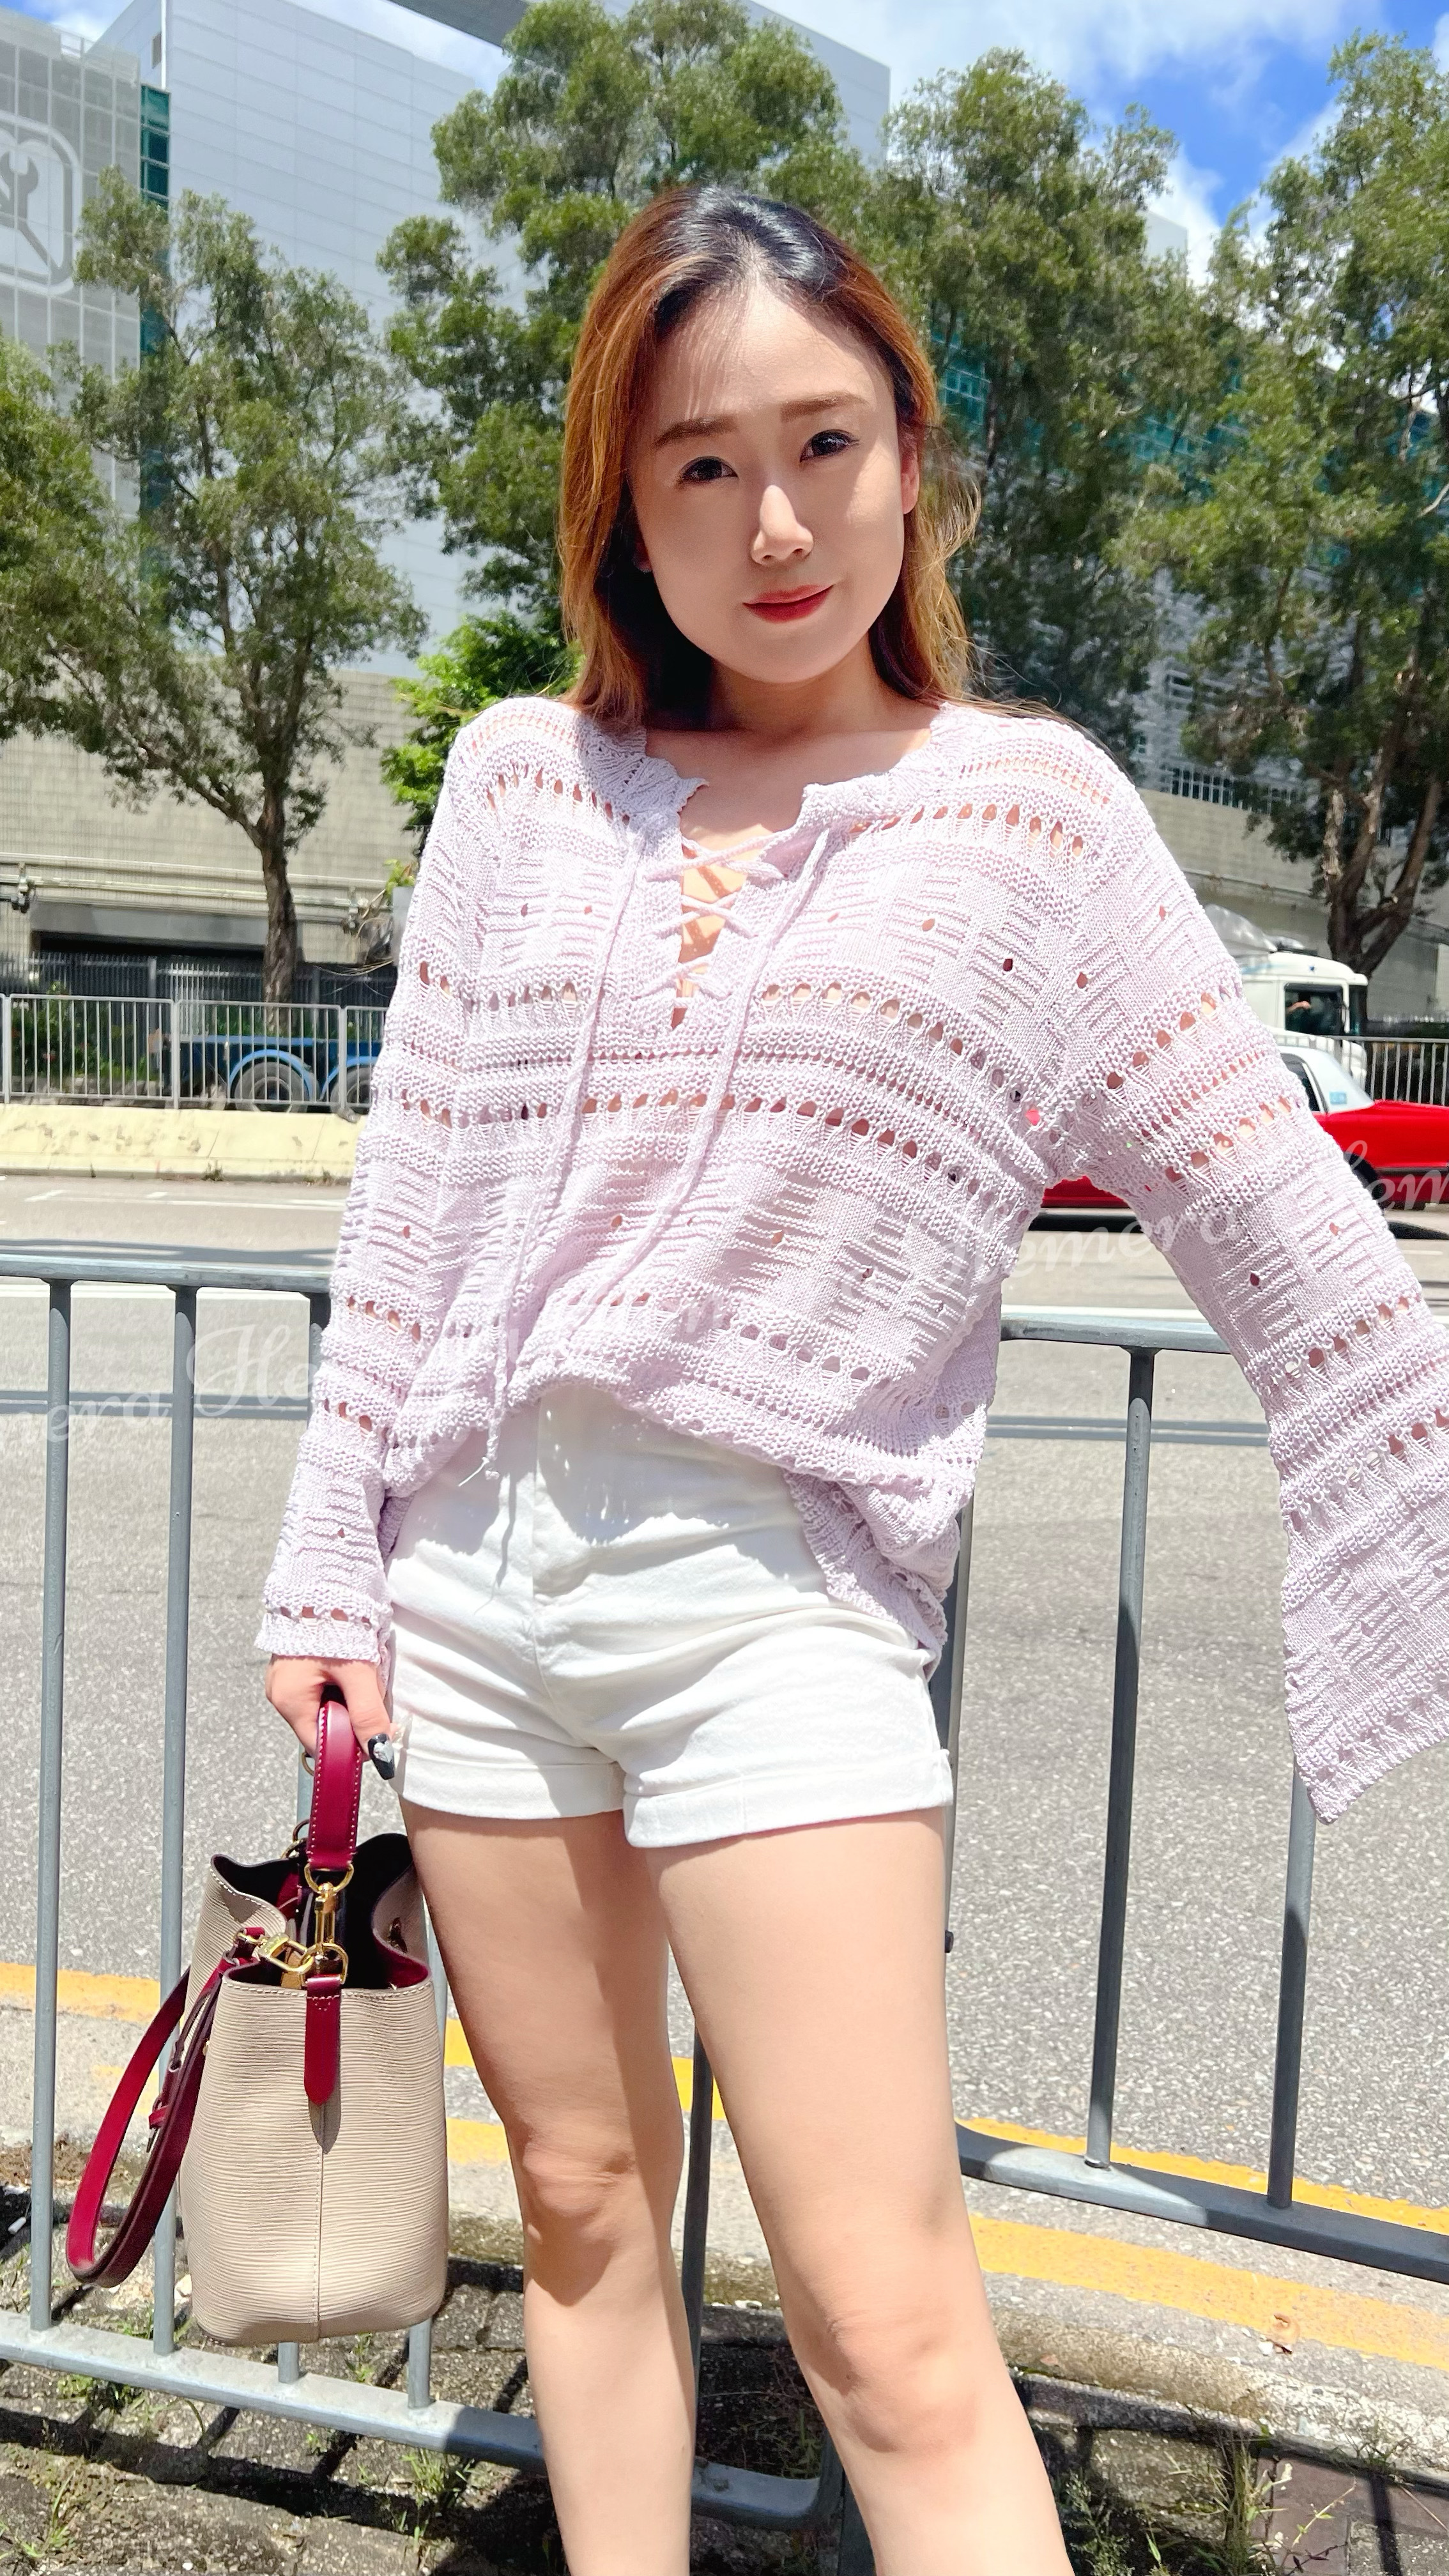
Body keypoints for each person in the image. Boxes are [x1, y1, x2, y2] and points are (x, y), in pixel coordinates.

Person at [260, 187, 1449, 2576]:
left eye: (823, 442)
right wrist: (327, 1563)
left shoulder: (1029, 819)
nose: (775, 522)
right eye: (700, 464)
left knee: (888, 2327)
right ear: (623, 502)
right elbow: (409, 1212)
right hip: (469, 1591)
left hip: (777, 1615)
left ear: (915, 453)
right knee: (577, 2207)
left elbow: (1282, 1221)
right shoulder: (515, 782)